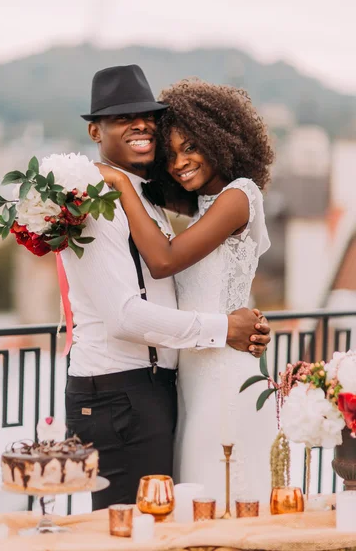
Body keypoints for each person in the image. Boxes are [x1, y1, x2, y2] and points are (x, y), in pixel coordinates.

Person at [63, 65, 271, 510]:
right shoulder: (140, 200)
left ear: (221, 139)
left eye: (192, 146)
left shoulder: (235, 196)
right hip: (162, 386)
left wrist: (120, 183)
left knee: (216, 504)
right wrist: (225, 324)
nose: (179, 162)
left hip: (205, 379)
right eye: (172, 152)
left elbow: (164, 261)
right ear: (95, 131)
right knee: (177, 512)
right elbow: (137, 298)